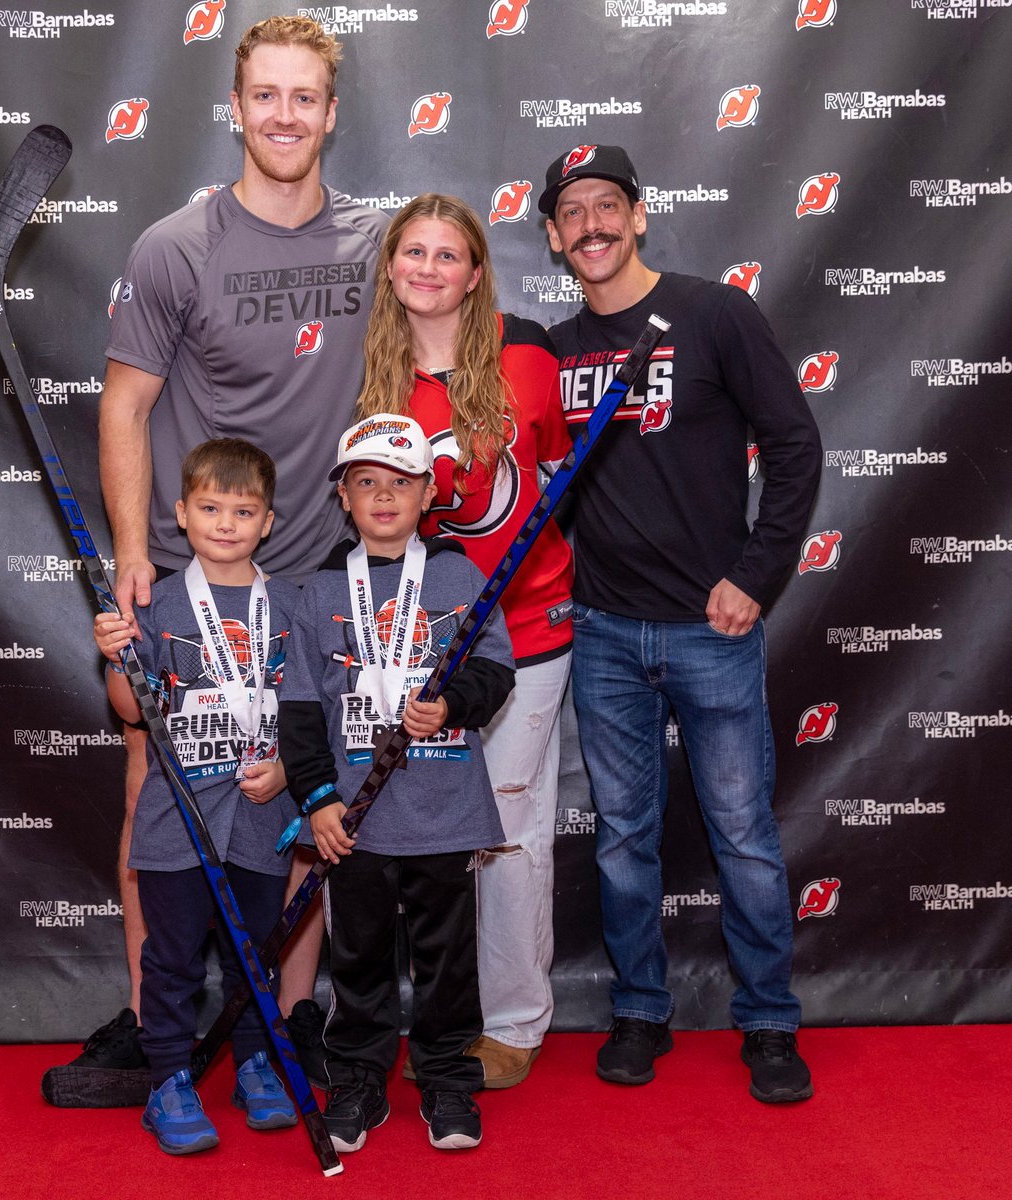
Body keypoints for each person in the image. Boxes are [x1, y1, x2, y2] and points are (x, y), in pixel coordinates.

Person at [47, 15, 388, 1102]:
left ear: (333, 114)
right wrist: (130, 558)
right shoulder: (175, 245)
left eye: (306, 97)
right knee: (159, 781)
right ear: (237, 108)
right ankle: (163, 1033)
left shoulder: (374, 245)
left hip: (315, 575)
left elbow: (443, 332)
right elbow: (126, 404)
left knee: (290, 800)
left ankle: (276, 1026)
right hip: (193, 573)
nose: (285, 115)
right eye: (267, 95)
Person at [539, 144, 822, 1102]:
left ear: (641, 215)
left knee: (742, 833)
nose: (592, 225)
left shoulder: (712, 313)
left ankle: (771, 1023)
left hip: (714, 631)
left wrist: (756, 574)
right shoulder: (558, 349)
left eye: (607, 205)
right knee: (623, 836)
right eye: (571, 212)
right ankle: (639, 1010)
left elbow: (793, 444)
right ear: (551, 235)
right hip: (604, 633)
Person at [354, 195, 572, 1088]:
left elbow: (556, 471)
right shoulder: (369, 373)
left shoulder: (528, 359)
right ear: (392, 267)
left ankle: (515, 1022)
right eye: (415, 252)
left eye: (450, 255)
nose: (430, 268)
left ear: (477, 273)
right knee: (398, 840)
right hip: (407, 649)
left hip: (525, 631)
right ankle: (401, 1023)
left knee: (512, 829)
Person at [277, 414, 515, 1152]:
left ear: (426, 494)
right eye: (366, 483)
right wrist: (318, 800)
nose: (383, 497)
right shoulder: (317, 590)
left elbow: (495, 667)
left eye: (400, 484)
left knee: (447, 961)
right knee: (359, 957)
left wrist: (452, 703)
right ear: (343, 498)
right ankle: (357, 1078)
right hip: (358, 819)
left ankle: (446, 1078)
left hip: (443, 809)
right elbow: (301, 708)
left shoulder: (458, 574)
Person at [93, 438, 302, 1154]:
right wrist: (117, 654)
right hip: (175, 817)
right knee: (174, 956)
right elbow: (129, 710)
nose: (225, 523)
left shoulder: (290, 605)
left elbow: (305, 710)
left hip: (261, 814)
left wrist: (287, 773)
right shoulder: (157, 603)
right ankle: (169, 1082)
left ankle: (253, 1062)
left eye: (242, 511)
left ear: (267, 521)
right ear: (181, 513)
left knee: (254, 955)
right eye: (210, 507)